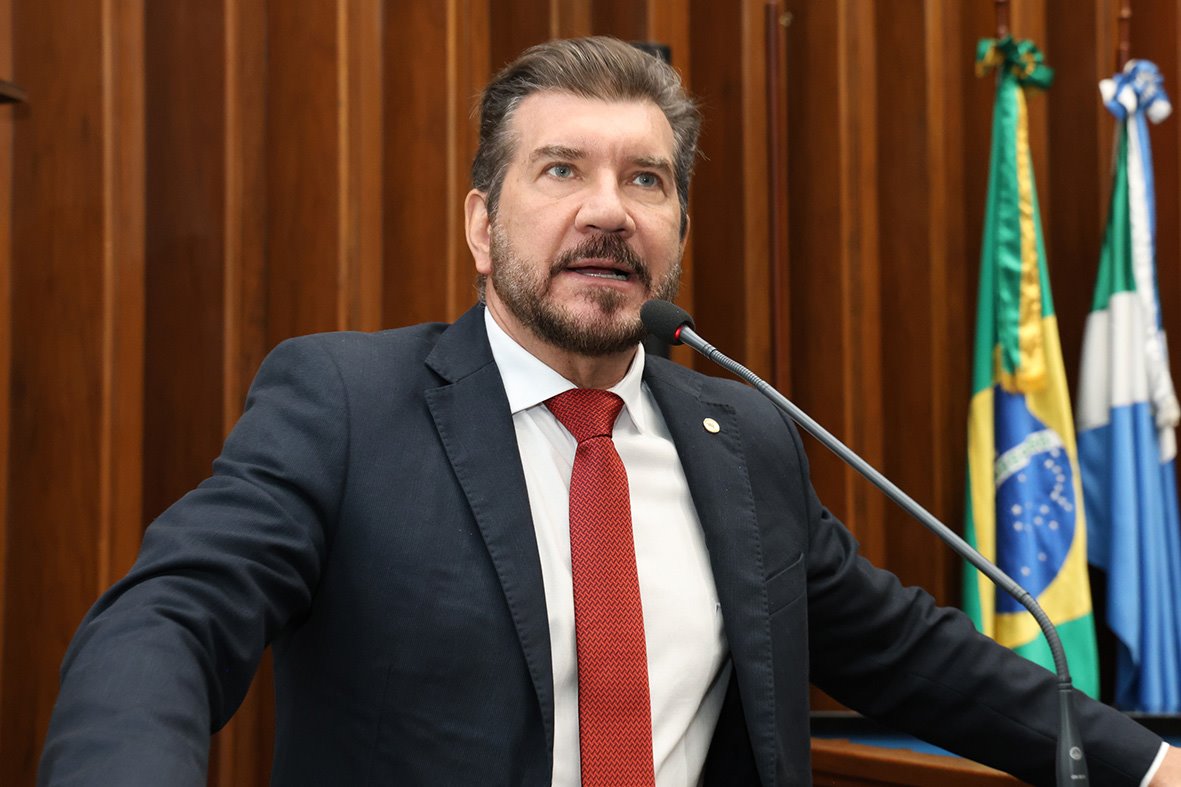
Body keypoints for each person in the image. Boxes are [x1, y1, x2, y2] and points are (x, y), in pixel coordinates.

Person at [38, 36, 1180, 786]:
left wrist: (1145, 765)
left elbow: (910, 655)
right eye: (560, 171)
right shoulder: (345, 403)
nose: (609, 211)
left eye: (645, 180)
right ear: (481, 225)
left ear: (675, 231)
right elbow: (172, 617)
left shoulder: (742, 438)